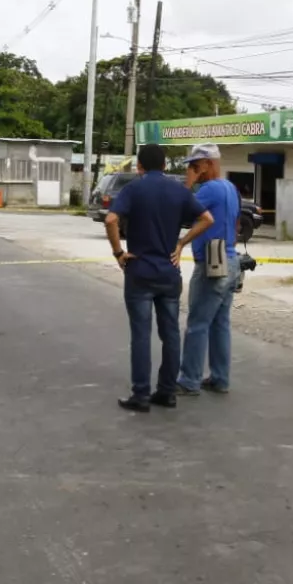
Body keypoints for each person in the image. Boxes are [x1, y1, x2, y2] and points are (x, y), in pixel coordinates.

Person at [105, 144, 214, 413]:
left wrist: (119, 252)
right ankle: (167, 392)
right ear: (165, 165)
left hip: (140, 272)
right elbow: (206, 218)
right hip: (168, 273)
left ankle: (140, 395)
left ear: (139, 167)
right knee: (171, 334)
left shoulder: (133, 189)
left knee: (141, 335)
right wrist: (181, 244)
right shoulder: (179, 190)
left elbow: (110, 219)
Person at [177, 143, 241, 396]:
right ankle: (220, 377)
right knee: (220, 323)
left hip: (211, 261)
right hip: (230, 258)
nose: (194, 171)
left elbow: (181, 209)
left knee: (198, 323)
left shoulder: (210, 189)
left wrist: (188, 184)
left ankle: (189, 380)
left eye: (196, 166)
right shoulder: (230, 188)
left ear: (209, 163)